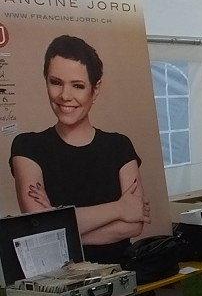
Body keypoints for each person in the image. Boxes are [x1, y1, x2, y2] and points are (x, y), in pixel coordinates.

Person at [10, 35, 149, 264]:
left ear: (95, 90)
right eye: (56, 82)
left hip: (123, 278)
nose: (65, 96)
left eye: (78, 86)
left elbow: (134, 224)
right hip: (60, 283)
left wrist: (58, 223)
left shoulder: (119, 146)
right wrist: (119, 208)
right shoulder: (27, 147)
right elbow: (40, 226)